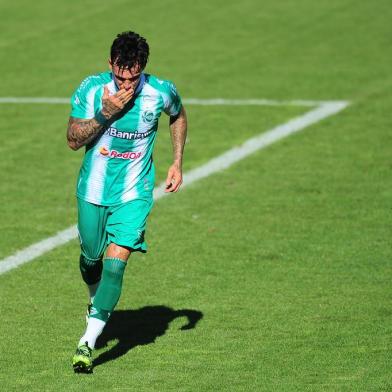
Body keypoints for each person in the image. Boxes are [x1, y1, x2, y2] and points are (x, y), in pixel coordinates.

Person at [66, 31, 187, 373]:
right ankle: (97, 304)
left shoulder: (160, 91)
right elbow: (73, 140)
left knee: (117, 262)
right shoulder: (92, 89)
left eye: (132, 78)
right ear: (110, 66)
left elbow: (178, 115)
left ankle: (86, 343)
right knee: (92, 261)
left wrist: (177, 161)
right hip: (92, 190)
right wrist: (105, 115)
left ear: (142, 69)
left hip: (134, 192)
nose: (125, 85)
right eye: (120, 76)